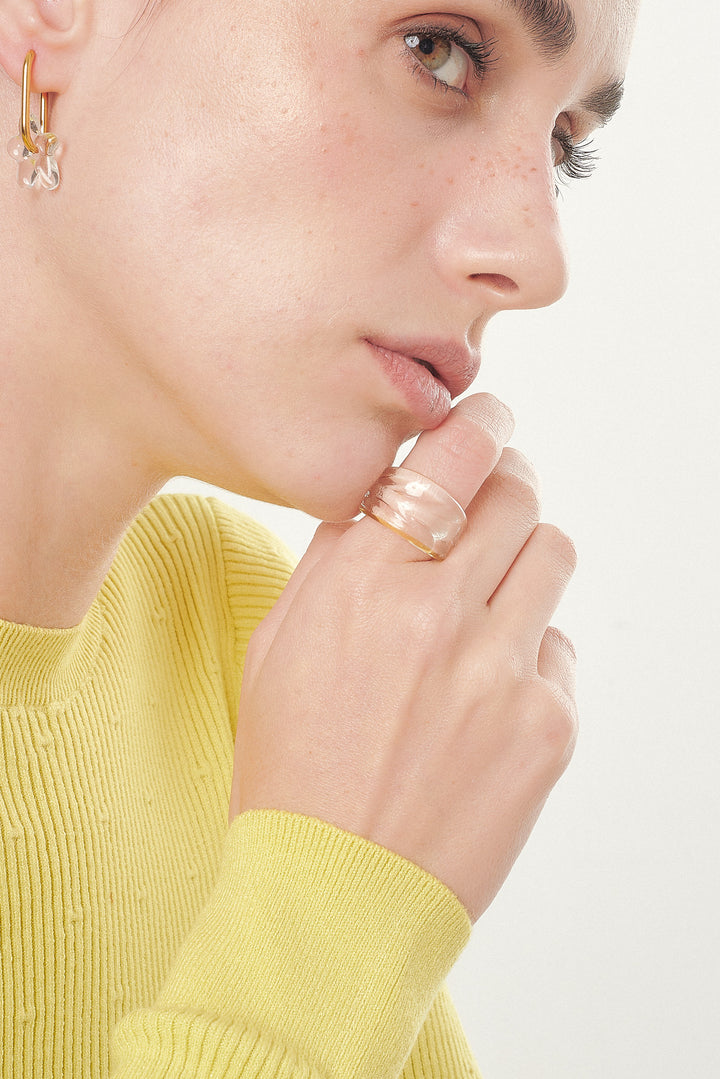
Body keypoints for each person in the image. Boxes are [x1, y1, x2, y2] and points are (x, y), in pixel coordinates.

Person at [0, 0, 638, 1074]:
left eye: (564, 147)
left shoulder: (269, 656)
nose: (539, 259)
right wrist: (326, 912)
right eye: (440, 51)